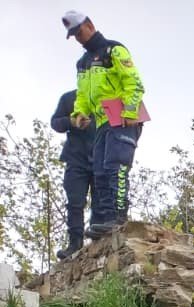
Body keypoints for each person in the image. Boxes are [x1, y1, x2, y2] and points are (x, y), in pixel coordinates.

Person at [63, 11, 145, 237]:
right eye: (73, 35)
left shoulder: (114, 50)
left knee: (115, 166)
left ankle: (118, 218)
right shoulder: (83, 63)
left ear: (89, 25)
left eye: (79, 32)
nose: (78, 38)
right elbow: (82, 93)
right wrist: (80, 112)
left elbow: (134, 82)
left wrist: (130, 110)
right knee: (99, 171)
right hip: (101, 121)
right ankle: (104, 220)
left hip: (122, 116)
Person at [48, 88, 94, 259]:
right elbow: (55, 123)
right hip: (75, 158)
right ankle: (75, 243)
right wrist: (72, 121)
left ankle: (99, 239)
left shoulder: (108, 95)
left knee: (102, 202)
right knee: (75, 203)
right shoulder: (69, 98)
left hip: (103, 157)